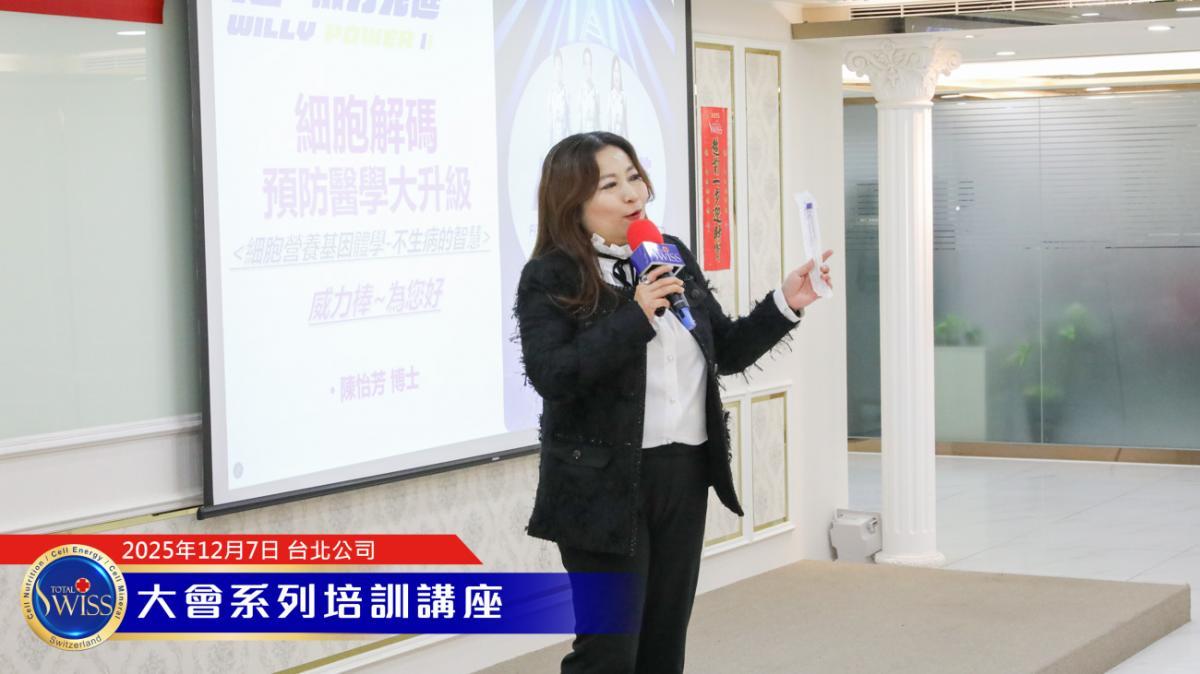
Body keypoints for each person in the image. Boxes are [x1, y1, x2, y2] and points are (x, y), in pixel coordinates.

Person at [515, 131, 832, 674]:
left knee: (663, 643)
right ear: (573, 201)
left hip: (682, 473)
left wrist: (785, 302)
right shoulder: (550, 275)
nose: (632, 194)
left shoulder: (670, 254)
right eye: (610, 185)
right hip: (600, 485)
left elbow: (724, 350)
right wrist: (635, 315)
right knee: (609, 653)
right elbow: (554, 375)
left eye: (634, 177)